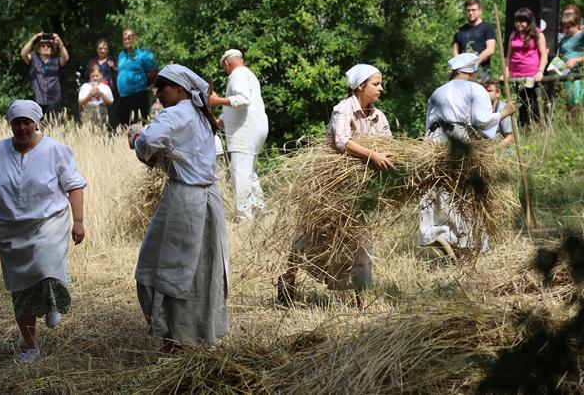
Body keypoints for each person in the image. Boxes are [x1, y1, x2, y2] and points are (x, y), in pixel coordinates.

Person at [0, 100, 86, 363]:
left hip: (48, 222)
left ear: (36, 123)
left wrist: (79, 221)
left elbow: (74, 185)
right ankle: (31, 346)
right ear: (10, 124)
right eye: (16, 122)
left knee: (45, 263)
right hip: (9, 229)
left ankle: (52, 303)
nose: (22, 128)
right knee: (21, 289)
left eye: (27, 122)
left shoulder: (55, 150)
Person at [128, 64, 228, 351]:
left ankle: (174, 339)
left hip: (184, 201)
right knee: (199, 269)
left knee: (164, 268)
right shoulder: (200, 115)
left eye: (162, 87)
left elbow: (148, 141)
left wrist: (138, 143)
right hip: (209, 200)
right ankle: (193, 334)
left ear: (181, 89)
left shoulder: (177, 113)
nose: (158, 92)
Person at [277, 64, 394, 305]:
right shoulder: (343, 110)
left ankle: (360, 298)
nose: (381, 88)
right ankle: (287, 280)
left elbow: (390, 145)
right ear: (360, 86)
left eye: (381, 83)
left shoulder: (378, 116)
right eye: (376, 84)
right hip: (330, 186)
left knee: (360, 240)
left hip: (360, 189)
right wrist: (373, 156)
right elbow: (342, 141)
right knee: (310, 236)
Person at [419, 54, 515, 259]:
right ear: (472, 72)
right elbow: (481, 121)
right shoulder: (474, 88)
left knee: (437, 188)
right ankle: (468, 243)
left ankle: (435, 232)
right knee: (464, 191)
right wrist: (505, 112)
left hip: (433, 140)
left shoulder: (437, 91)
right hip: (457, 138)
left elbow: (428, 123)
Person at [208, 49, 269, 221]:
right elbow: (241, 106)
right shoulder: (248, 74)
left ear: (227, 64)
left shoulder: (237, 74)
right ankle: (259, 210)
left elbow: (243, 100)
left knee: (239, 173)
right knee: (248, 172)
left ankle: (245, 218)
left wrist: (216, 101)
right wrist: (221, 121)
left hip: (245, 132)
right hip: (255, 128)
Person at [506, 8, 548, 130]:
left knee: (532, 101)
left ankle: (540, 127)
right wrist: (506, 71)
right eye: (517, 21)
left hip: (531, 74)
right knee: (520, 102)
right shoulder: (513, 35)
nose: (518, 24)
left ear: (529, 22)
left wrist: (540, 71)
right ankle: (525, 128)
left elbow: (543, 54)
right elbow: (508, 55)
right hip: (516, 74)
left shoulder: (537, 34)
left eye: (522, 21)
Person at [20, 32, 70, 117]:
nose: (46, 47)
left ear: (52, 49)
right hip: (38, 99)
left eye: (49, 46)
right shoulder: (33, 60)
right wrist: (34, 38)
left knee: (54, 127)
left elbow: (66, 58)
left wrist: (60, 43)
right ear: (38, 49)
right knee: (38, 127)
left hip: (54, 99)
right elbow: (23, 54)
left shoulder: (56, 61)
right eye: (43, 46)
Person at [116, 28, 157, 126]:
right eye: (125, 38)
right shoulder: (121, 55)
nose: (127, 40)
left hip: (138, 95)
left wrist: (145, 84)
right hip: (123, 97)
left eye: (129, 38)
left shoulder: (144, 54)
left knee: (138, 126)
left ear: (136, 38)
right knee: (124, 127)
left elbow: (153, 73)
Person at [453, 0, 497, 80]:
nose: (471, 13)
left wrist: (473, 64)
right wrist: (461, 65)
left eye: (473, 10)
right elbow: (455, 51)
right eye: (468, 10)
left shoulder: (487, 28)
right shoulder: (461, 30)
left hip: (482, 72)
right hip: (462, 73)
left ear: (480, 10)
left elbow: (490, 50)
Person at [556, 11, 584, 122]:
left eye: (569, 27)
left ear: (577, 25)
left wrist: (576, 60)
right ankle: (572, 125)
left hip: (579, 76)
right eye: (564, 28)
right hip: (566, 76)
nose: (566, 30)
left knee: (577, 103)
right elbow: (561, 57)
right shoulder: (564, 39)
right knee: (569, 103)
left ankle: (578, 125)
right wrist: (556, 68)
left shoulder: (582, 37)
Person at [88, 39, 118, 128]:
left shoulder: (112, 60)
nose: (103, 50)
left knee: (110, 117)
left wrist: (113, 67)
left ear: (108, 50)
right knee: (95, 119)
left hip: (109, 93)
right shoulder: (92, 62)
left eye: (105, 48)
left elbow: (119, 73)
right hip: (95, 94)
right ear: (97, 49)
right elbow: (88, 77)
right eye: (100, 48)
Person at [481, 78, 514, 146]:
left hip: (503, 151)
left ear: (497, 92)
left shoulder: (504, 109)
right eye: (484, 91)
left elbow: (510, 137)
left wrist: (493, 149)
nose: (486, 93)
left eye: (489, 91)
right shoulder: (480, 109)